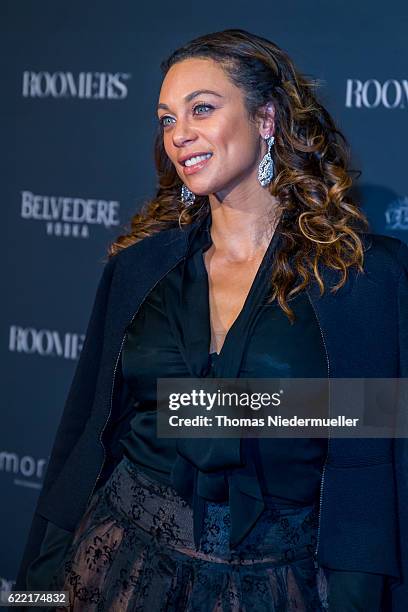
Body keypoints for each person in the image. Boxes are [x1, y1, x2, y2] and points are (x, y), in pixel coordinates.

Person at [14, 29, 408, 611]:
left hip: (282, 584)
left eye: (202, 108)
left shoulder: (363, 277)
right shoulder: (139, 266)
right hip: (115, 566)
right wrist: (34, 597)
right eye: (167, 119)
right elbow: (85, 439)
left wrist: (191, 406)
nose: (179, 135)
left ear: (266, 119)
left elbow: (372, 440)